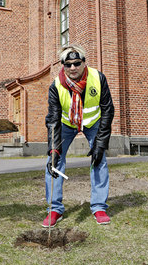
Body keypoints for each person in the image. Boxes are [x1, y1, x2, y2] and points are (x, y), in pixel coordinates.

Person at [44, 44, 114, 227]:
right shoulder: (56, 85)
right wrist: (53, 149)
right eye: (68, 64)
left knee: (99, 159)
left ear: (84, 62)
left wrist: (100, 142)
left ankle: (99, 207)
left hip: (93, 122)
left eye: (76, 63)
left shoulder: (98, 78)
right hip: (66, 124)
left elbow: (108, 110)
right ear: (63, 65)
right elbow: (53, 119)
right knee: (54, 161)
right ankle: (54, 209)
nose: (72, 68)